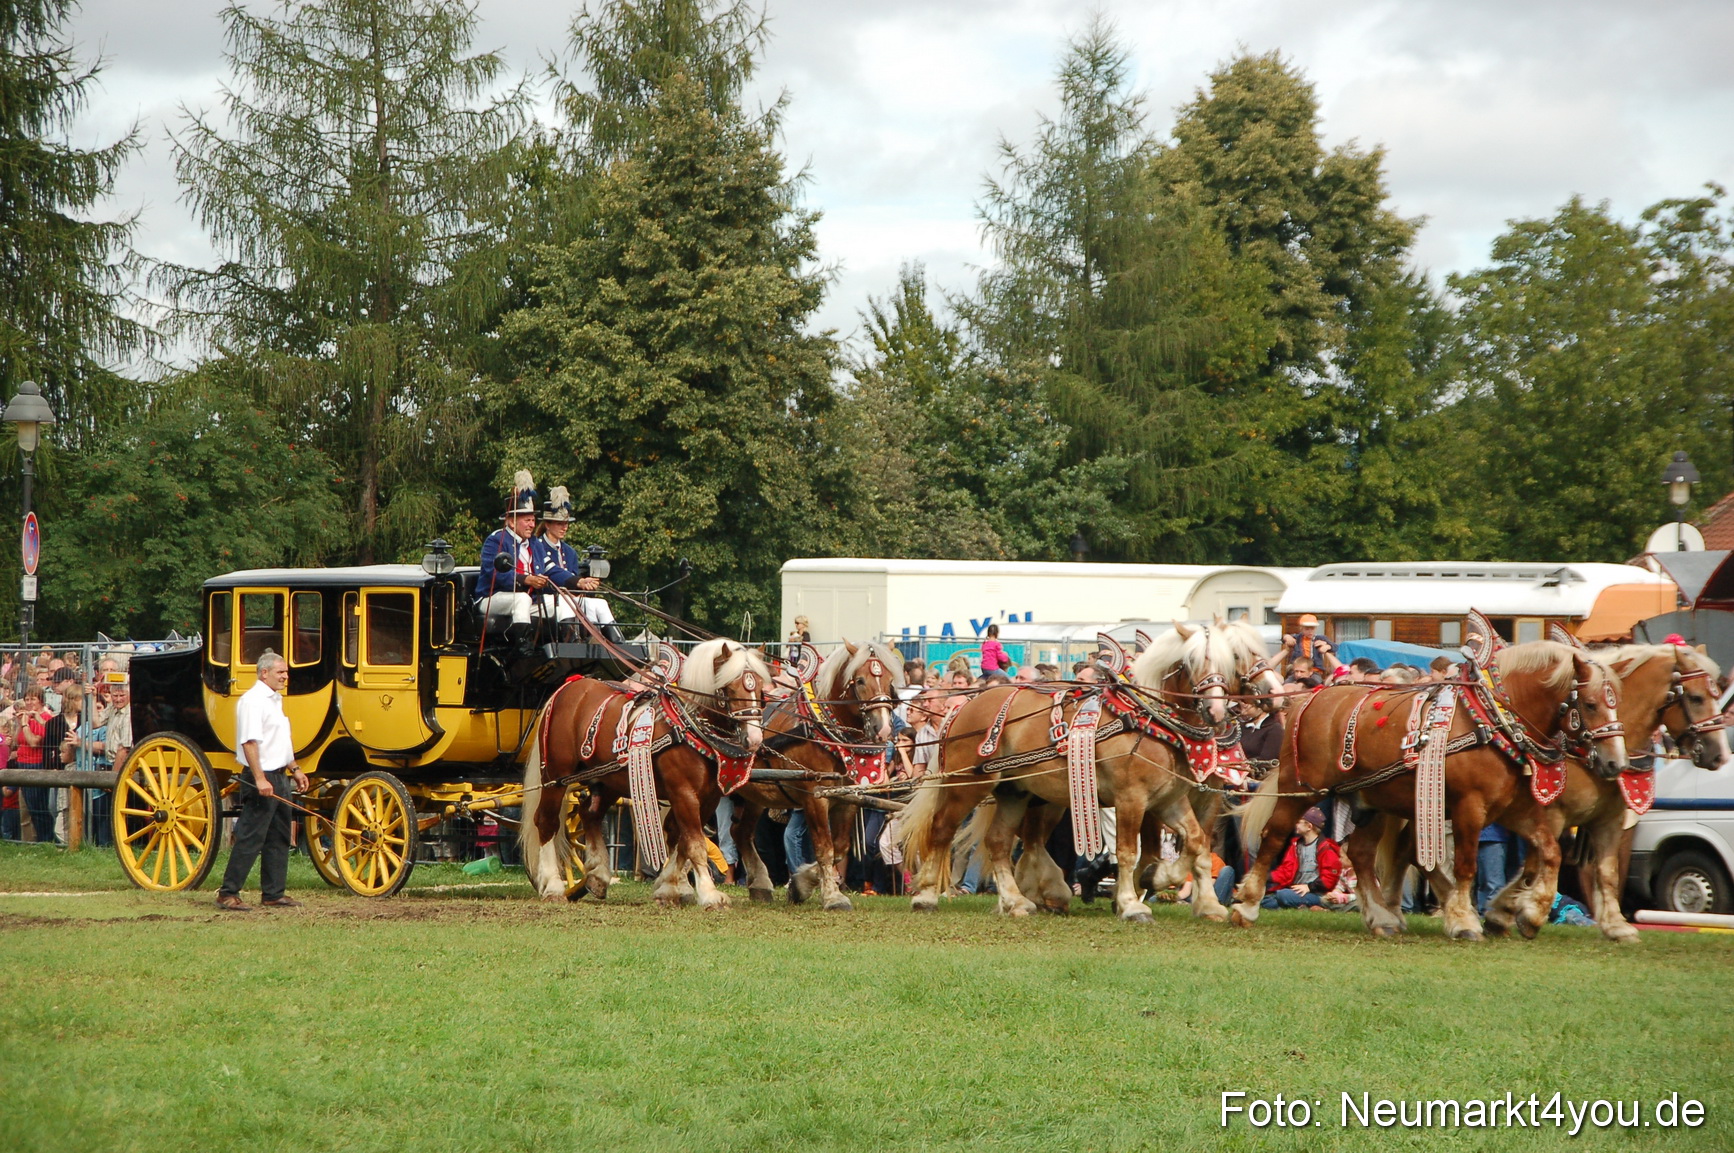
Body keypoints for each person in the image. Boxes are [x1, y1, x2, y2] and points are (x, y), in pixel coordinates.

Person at [215, 652, 308, 910]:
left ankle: (273, 893)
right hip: (262, 776)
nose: (285, 676)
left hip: (280, 774)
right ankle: (228, 892)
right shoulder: (252, 701)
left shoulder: (274, 700)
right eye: (281, 672)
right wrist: (259, 778)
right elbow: (249, 742)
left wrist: (295, 768)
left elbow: (280, 741)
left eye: (286, 672)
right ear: (264, 673)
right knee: (250, 836)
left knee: (279, 836)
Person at [476, 470, 553, 651]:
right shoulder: (495, 540)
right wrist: (525, 579)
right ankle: (522, 647)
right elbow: (493, 572)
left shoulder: (534, 543)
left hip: (528, 599)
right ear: (511, 522)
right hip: (491, 598)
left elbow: (549, 571)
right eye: (527, 520)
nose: (532, 525)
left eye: (533, 520)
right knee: (522, 600)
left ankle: (569, 645)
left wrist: (574, 582)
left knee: (561, 603)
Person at [535, 485, 621, 642]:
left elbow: (573, 579)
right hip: (548, 599)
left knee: (600, 604)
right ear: (547, 524)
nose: (564, 527)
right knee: (568, 602)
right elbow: (552, 572)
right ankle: (573, 641)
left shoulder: (570, 552)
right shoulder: (537, 546)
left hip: (571, 599)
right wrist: (580, 582)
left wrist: (584, 586)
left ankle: (618, 645)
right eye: (559, 523)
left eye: (566, 523)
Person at [1260, 806, 1340, 910]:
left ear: (1309, 826)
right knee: (1265, 900)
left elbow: (1329, 879)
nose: (1295, 824)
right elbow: (1286, 871)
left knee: (1282, 895)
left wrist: (1309, 887)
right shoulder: (1296, 845)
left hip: (1316, 893)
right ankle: (1302, 907)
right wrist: (1264, 877)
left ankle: (1310, 906)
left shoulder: (1326, 848)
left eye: (1298, 821)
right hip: (1295, 891)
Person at [1239, 697, 1284, 764]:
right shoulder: (1243, 727)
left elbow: (1267, 759)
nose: (1243, 704)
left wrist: (1242, 765)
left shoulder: (1274, 729)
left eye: (1247, 702)